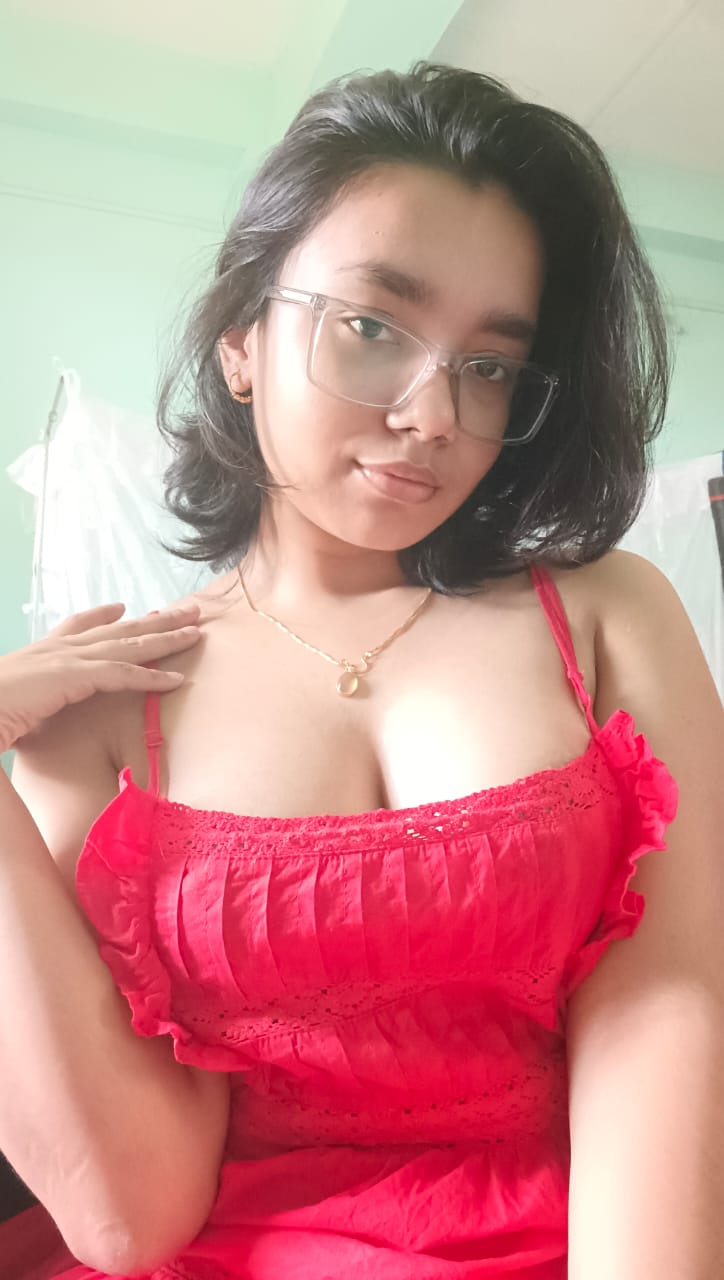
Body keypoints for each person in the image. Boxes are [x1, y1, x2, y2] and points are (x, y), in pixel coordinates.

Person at [1, 61, 722, 1280]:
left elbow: (666, 1010)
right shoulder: (107, 707)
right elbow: (130, 1210)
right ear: (241, 340)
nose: (434, 414)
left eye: (488, 365)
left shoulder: (607, 615)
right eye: (374, 327)